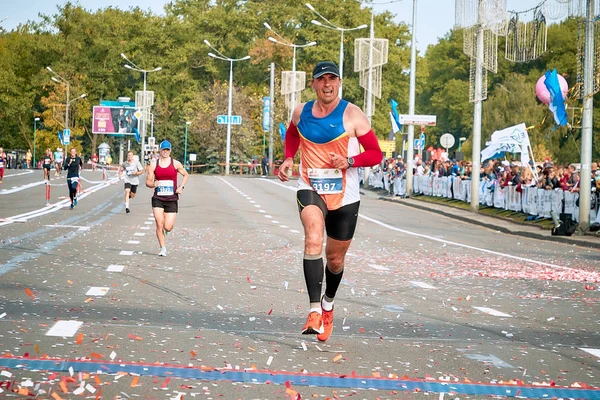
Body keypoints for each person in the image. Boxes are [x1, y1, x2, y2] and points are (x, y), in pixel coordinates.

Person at [278, 61, 382, 342]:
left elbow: (375, 153)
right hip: (310, 187)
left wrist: (349, 161)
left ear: (339, 83)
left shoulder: (352, 114)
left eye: (332, 79)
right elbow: (291, 133)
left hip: (345, 195)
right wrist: (289, 157)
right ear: (313, 84)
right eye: (321, 79)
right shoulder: (301, 112)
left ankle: (328, 304)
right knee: (313, 238)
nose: (327, 84)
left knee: (335, 259)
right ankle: (313, 311)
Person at [145, 140, 189, 257]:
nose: (165, 152)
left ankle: (167, 231)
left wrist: (181, 187)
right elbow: (148, 182)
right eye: (163, 150)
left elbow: (186, 174)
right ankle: (163, 248)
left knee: (168, 226)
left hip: (172, 198)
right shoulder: (154, 164)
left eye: (167, 150)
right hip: (158, 198)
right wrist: (153, 184)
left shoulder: (175, 163)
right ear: (160, 150)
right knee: (159, 224)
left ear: (170, 151)